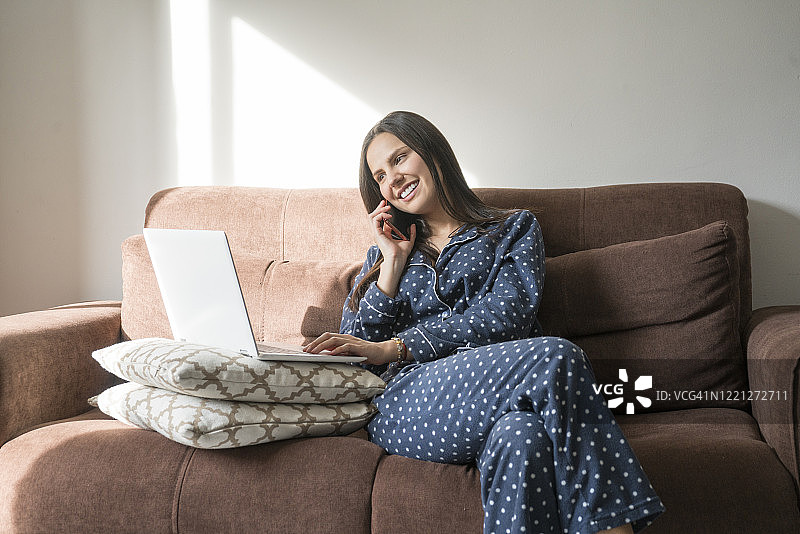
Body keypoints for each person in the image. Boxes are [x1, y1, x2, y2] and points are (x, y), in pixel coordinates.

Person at [304, 111, 664, 534]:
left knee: (523, 438)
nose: (392, 179)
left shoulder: (513, 228)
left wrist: (400, 345)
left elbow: (507, 316)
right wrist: (393, 263)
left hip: (502, 395)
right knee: (556, 356)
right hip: (408, 405)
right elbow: (357, 353)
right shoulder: (383, 258)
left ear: (433, 152)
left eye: (399, 159)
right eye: (380, 176)